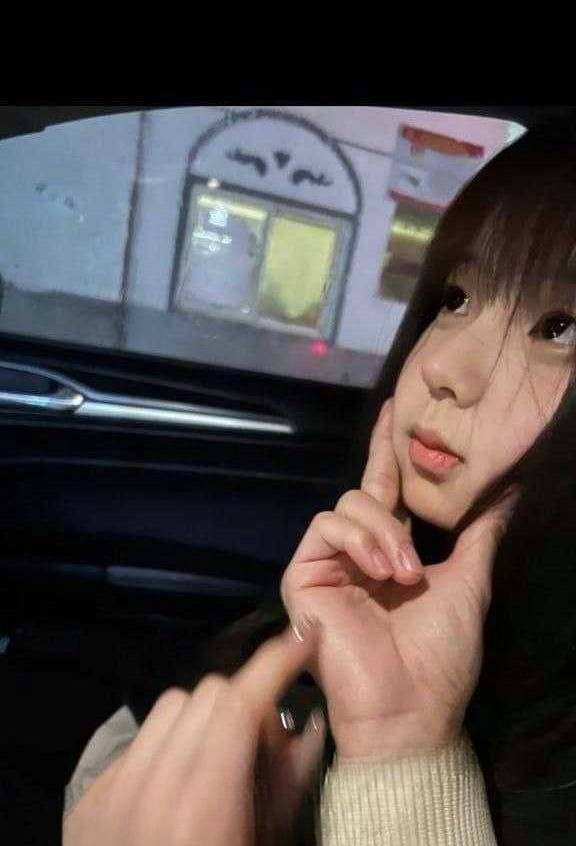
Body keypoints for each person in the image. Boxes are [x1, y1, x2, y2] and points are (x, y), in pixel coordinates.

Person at [63, 115, 576, 844]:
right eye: (457, 297)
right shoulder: (387, 566)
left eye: (559, 328)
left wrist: (406, 749)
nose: (442, 367)